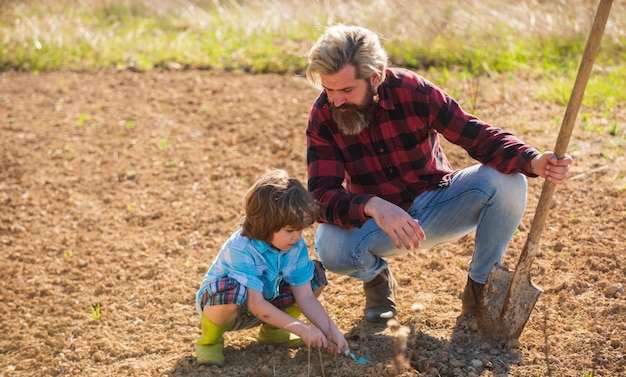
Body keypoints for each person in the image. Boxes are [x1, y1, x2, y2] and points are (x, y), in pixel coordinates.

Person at [304, 24, 573, 324]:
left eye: (347, 90)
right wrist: (372, 205)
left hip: (440, 204)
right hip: (381, 225)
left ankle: (480, 288)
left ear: (375, 76)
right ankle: (378, 283)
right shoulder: (324, 115)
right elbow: (320, 196)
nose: (336, 100)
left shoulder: (412, 90)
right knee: (329, 245)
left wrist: (533, 160)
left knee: (508, 181)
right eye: (328, 89)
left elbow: (475, 134)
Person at [194, 169, 348, 366]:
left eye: (300, 229)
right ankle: (209, 342)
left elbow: (306, 297)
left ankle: (274, 332)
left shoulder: (295, 245)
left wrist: (331, 331)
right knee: (232, 292)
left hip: (267, 300)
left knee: (314, 275)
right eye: (290, 230)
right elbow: (256, 306)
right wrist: (303, 329)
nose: (297, 236)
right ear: (266, 224)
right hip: (231, 307)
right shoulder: (242, 248)